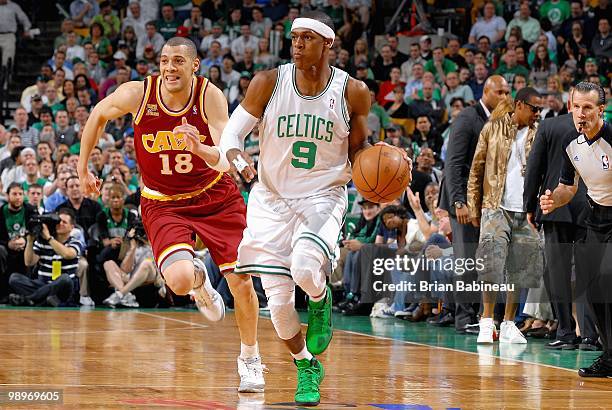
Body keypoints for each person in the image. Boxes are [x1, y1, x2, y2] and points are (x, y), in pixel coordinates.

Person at [216, 11, 409, 405]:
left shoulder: (353, 91)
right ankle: (306, 366)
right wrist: (237, 158)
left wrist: (380, 170)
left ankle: (321, 299)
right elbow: (231, 133)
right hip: (269, 200)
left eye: (307, 38)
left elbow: (357, 150)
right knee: (281, 305)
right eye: (294, 38)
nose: (298, 44)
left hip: (322, 194)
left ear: (328, 44)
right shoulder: (268, 82)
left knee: (306, 269)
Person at [77, 37, 264, 393]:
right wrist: (83, 166)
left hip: (215, 197)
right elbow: (98, 114)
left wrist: (200, 148)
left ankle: (251, 359)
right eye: (164, 60)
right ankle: (198, 282)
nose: (168, 68)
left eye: (178, 61)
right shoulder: (138, 94)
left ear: (194, 66)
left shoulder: (209, 96)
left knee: (241, 283)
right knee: (177, 281)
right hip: (163, 202)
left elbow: (226, 157)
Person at [540, 82, 612, 376]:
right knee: (590, 285)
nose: (580, 114)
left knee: (608, 277)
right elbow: (568, 188)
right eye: (575, 107)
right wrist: (552, 200)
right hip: (595, 218)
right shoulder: (571, 141)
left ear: (601, 110)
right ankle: (609, 356)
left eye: (587, 108)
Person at [438, 75, 510, 334]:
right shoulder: (467, 118)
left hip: (487, 201)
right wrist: (459, 201)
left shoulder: (501, 120)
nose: (504, 97)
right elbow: (454, 163)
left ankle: (485, 316)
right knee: (466, 259)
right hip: (465, 202)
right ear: (487, 92)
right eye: (500, 92)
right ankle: (464, 318)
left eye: (507, 92)